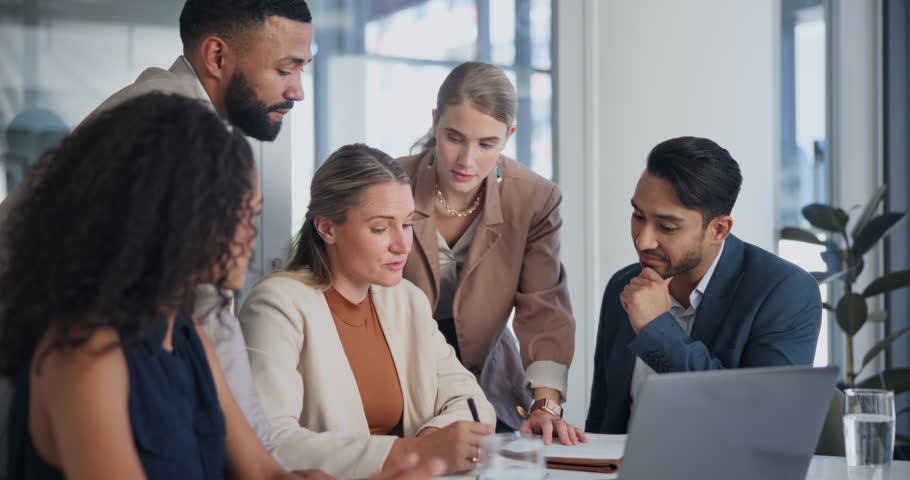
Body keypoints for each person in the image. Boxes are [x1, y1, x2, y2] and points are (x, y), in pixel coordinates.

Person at [0, 0, 314, 462]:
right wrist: (270, 463)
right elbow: (210, 312)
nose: (298, 91)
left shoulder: (169, 117)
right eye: (286, 69)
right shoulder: (173, 141)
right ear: (217, 57)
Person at [238, 144, 496, 479]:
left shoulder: (406, 300)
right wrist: (414, 452)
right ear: (327, 229)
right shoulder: (277, 303)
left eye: (406, 224)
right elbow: (269, 441)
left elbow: (472, 403)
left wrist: (432, 440)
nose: (403, 244)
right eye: (379, 228)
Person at [396, 61, 584, 444]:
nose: (467, 160)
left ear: (508, 136)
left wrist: (546, 404)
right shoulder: (390, 184)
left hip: (488, 386)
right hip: (397, 379)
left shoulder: (534, 199)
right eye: (454, 137)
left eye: (486, 144)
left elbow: (544, 309)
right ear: (435, 122)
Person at [585, 136, 823, 434]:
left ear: (718, 230)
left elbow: (764, 423)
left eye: (667, 227)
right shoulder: (625, 285)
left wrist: (656, 330)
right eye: (637, 216)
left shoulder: (785, 292)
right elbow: (602, 422)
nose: (643, 240)